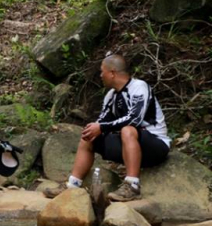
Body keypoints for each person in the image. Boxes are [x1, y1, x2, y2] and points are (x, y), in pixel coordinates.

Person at [43, 54, 170, 202]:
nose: (101, 75)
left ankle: (132, 186)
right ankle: (73, 185)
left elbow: (134, 119)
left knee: (128, 129)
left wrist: (101, 127)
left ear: (112, 73)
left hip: (155, 145)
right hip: (128, 146)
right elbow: (102, 121)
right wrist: (95, 128)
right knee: (89, 136)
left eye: (102, 71)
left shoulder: (139, 87)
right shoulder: (110, 95)